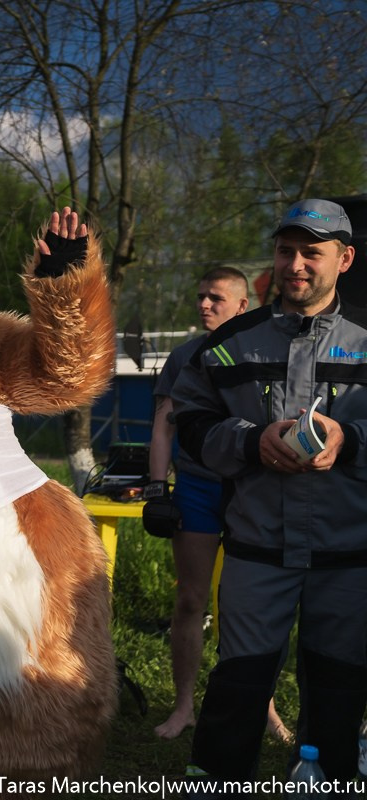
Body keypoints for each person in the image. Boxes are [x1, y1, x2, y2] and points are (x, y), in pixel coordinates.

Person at [173, 198, 367, 785]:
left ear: (346, 258)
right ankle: (220, 782)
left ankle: (323, 779)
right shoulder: (230, 342)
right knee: (240, 679)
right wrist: (253, 440)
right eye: (287, 251)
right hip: (258, 551)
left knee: (338, 681)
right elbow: (191, 423)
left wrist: (349, 440)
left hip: (348, 556)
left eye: (313, 252)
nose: (297, 264)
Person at [144, 267, 291, 742]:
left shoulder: (267, 347)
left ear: (243, 306)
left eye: (217, 299)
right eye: (202, 297)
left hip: (254, 489)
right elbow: (165, 425)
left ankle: (261, 708)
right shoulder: (186, 354)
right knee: (190, 599)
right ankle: (184, 705)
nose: (205, 305)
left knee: (250, 605)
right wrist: (156, 488)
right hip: (199, 487)